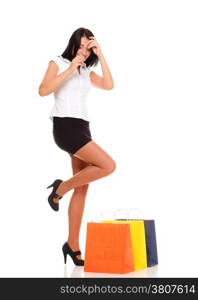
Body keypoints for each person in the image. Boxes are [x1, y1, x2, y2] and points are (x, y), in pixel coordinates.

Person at [38, 27, 116, 266]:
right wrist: (71, 68)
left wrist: (100, 54)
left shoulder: (87, 71)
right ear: (72, 44)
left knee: (82, 188)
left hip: (83, 127)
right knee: (109, 165)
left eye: (87, 47)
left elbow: (109, 85)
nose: (83, 51)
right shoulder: (58, 62)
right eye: (80, 46)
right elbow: (43, 90)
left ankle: (72, 245)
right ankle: (61, 188)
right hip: (65, 128)